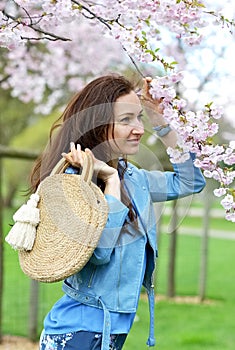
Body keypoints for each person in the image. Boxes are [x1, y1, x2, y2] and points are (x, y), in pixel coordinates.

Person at [32, 74, 206, 350]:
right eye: (125, 120)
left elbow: (191, 181)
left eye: (139, 118)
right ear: (98, 124)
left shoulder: (133, 177)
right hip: (78, 334)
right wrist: (111, 181)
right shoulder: (74, 181)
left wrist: (161, 122)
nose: (138, 128)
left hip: (107, 332)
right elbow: (99, 253)